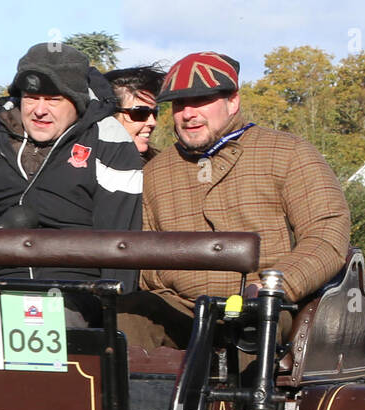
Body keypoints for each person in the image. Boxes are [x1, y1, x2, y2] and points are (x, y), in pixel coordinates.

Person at [124, 50, 351, 349]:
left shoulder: (290, 153)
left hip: (261, 311)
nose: (188, 114)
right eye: (179, 104)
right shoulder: (155, 172)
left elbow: (326, 236)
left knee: (245, 339)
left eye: (201, 100)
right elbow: (146, 256)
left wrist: (271, 288)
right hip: (178, 308)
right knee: (123, 322)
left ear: (233, 101)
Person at [0, 42, 144, 306]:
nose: (39, 110)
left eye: (54, 99)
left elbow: (121, 244)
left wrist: (112, 319)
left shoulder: (109, 142)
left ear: (78, 101)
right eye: (31, 98)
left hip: (77, 295)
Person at [105, 66, 165, 161]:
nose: (153, 122)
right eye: (140, 113)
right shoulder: (80, 168)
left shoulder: (157, 170)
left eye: (155, 113)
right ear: (109, 116)